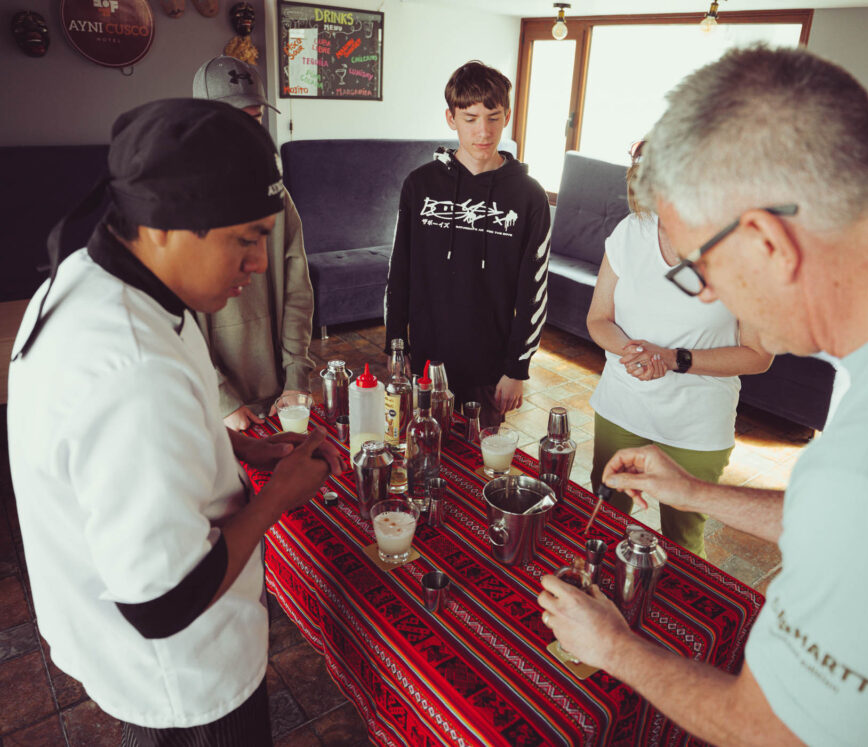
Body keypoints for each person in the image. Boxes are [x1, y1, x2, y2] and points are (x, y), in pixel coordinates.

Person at [538, 44, 868, 745]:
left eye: (697, 269)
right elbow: (856, 523)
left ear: (766, 240)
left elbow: (772, 733)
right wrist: (700, 494)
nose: (703, 293)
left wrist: (613, 647)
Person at [7, 99, 341, 745]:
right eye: (244, 240)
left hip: (129, 649)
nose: (260, 264)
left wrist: (241, 443)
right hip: (185, 678)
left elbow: (128, 449)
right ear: (161, 225)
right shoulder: (132, 369)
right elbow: (164, 603)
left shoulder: (96, 273)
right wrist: (279, 497)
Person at [587, 140, 771, 556]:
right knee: (601, 525)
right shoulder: (630, 232)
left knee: (683, 548)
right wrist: (635, 352)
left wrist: (672, 359)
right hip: (622, 408)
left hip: (695, 428)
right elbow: (598, 319)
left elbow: (759, 355)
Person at [383, 60, 551, 427]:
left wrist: (517, 368)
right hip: (426, 362)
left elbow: (533, 289)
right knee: (419, 459)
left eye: (493, 117)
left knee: (478, 470)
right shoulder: (420, 185)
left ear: (507, 115)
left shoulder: (529, 196)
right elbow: (400, 270)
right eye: (470, 118)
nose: (483, 131)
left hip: (490, 370)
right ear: (450, 118)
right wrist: (397, 345)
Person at [193, 55, 315, 431]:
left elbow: (298, 292)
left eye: (256, 120)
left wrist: (296, 377)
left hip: (277, 395)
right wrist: (220, 398)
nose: (248, 135)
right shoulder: (181, 204)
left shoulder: (277, 196)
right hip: (207, 403)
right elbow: (173, 320)